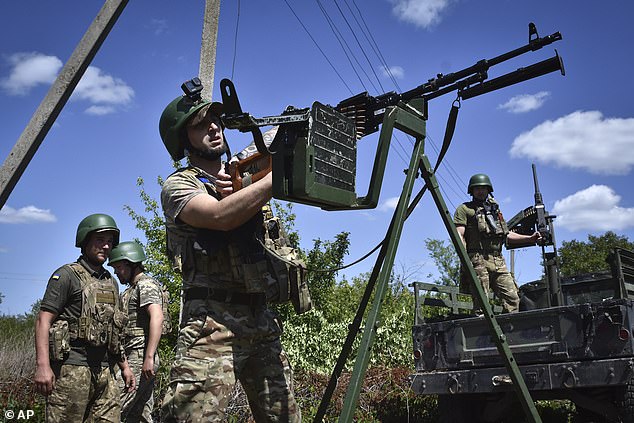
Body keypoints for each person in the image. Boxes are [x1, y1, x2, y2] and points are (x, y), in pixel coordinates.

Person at [158, 83, 301, 422]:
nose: (213, 128)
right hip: (211, 321)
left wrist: (300, 126)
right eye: (199, 124)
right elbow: (221, 217)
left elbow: (273, 138)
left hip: (261, 318)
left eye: (215, 121)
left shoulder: (244, 175)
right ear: (182, 139)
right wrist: (279, 175)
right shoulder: (179, 186)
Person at [34, 213, 135, 422]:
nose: (106, 247)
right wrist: (43, 366)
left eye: (109, 242)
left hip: (105, 371)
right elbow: (43, 321)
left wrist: (124, 367)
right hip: (71, 369)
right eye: (100, 240)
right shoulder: (66, 276)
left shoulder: (111, 282)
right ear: (85, 240)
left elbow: (114, 329)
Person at [454, 174, 541, 313]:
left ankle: (512, 329)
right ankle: (481, 331)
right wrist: (465, 260)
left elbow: (506, 235)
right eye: (477, 188)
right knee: (481, 303)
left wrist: (529, 238)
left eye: (483, 188)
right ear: (472, 191)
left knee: (513, 299)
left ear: (489, 190)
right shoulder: (465, 209)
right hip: (477, 259)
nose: (481, 191)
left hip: (498, 260)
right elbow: (459, 234)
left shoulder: (495, 211)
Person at [109, 241, 165, 423]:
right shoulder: (131, 290)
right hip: (135, 355)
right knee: (140, 415)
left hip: (140, 356)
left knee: (112, 410)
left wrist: (148, 357)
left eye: (118, 267)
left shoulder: (146, 285)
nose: (115, 272)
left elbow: (157, 317)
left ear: (130, 263)